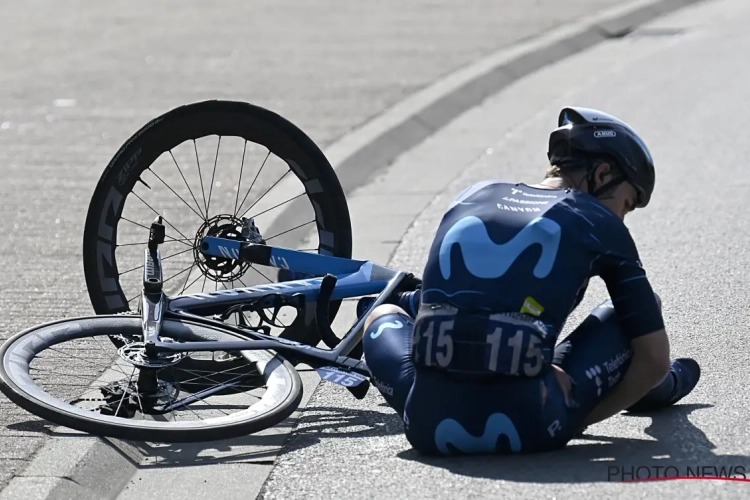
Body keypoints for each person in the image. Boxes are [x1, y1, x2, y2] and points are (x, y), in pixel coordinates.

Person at [357, 106, 700, 455]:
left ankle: (448, 389)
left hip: (428, 428)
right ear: (602, 173)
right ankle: (659, 388)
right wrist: (579, 417)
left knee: (380, 313)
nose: (622, 218)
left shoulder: (473, 195)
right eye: (626, 205)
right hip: (532, 425)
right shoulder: (599, 221)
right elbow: (653, 357)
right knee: (643, 313)